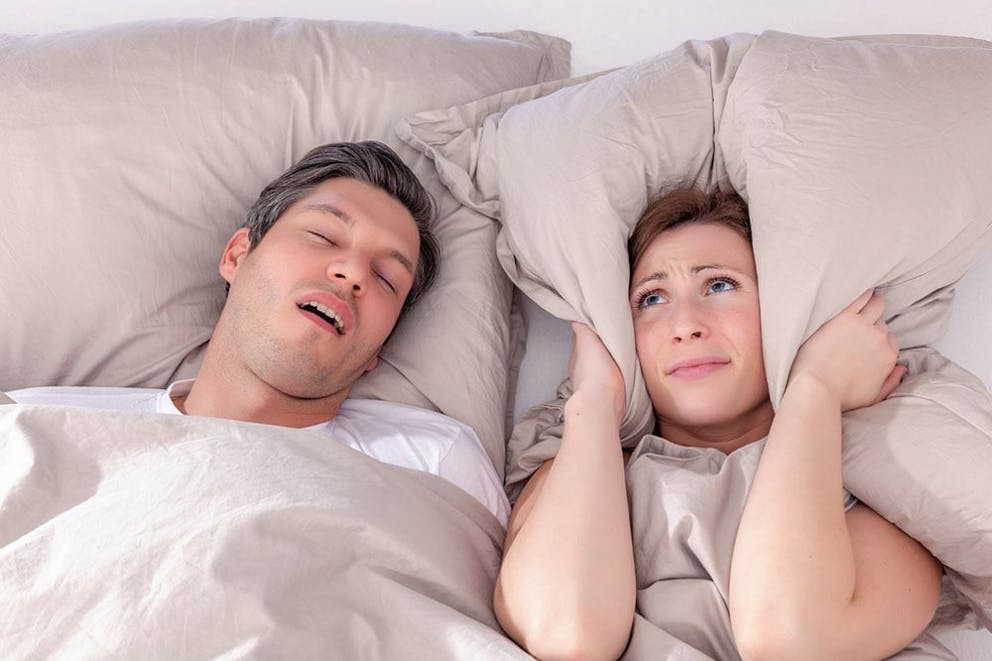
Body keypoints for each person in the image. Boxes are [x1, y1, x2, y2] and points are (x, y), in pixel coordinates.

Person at [494, 186, 942, 659]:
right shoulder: (580, 469)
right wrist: (594, 398)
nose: (686, 323)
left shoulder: (877, 485)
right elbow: (564, 635)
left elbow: (790, 642)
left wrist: (815, 387)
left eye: (720, 285)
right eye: (651, 298)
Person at [10, 141, 509, 526]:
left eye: (386, 279)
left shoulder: (433, 464)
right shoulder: (34, 425)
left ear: (376, 351)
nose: (353, 272)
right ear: (237, 256)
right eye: (324, 235)